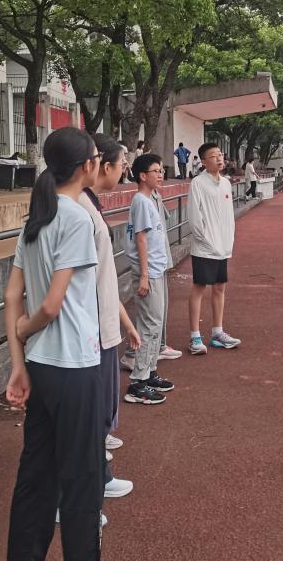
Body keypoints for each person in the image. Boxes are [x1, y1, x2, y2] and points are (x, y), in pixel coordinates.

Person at [3, 127, 104, 559]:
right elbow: (49, 305)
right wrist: (26, 329)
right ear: (86, 167)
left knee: (36, 477)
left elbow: (12, 296)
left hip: (42, 366)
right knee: (82, 482)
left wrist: (18, 363)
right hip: (75, 367)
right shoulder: (77, 218)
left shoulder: (37, 218)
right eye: (96, 157)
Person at [78, 135, 142, 494]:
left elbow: (101, 277)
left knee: (97, 407)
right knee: (86, 413)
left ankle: (95, 475)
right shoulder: (76, 211)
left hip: (100, 324)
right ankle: (87, 486)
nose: (123, 170)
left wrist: (124, 322)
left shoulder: (87, 205)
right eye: (121, 164)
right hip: (89, 330)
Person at [124, 153, 175, 404]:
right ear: (143, 176)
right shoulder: (142, 201)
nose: (161, 175)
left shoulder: (150, 199)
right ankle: (138, 382)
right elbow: (141, 239)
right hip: (149, 272)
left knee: (156, 323)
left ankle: (150, 372)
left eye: (161, 170)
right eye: (156, 171)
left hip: (156, 269)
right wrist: (144, 275)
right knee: (149, 326)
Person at [187, 142, 241, 354]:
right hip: (205, 247)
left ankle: (217, 332)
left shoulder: (226, 183)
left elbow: (229, 216)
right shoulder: (198, 183)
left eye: (220, 155)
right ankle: (194, 337)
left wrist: (229, 240)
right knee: (199, 287)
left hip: (223, 246)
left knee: (220, 287)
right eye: (213, 156)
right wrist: (205, 239)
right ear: (203, 162)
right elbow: (194, 217)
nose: (219, 159)